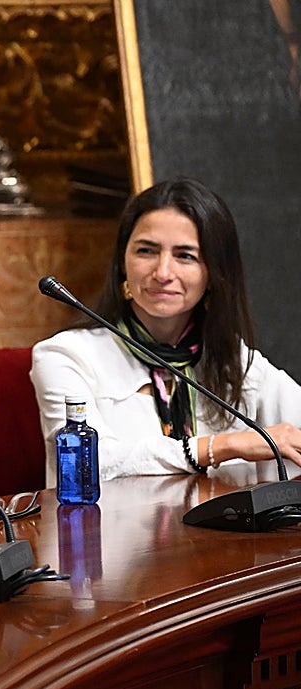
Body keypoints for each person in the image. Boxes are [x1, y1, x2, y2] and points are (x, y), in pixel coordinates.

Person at [30, 176, 301, 485]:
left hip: (224, 533)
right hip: (110, 532)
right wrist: (222, 446)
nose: (163, 273)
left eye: (185, 256)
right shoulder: (65, 356)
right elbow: (88, 466)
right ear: (122, 261)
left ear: (214, 273)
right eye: (146, 251)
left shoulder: (233, 359)